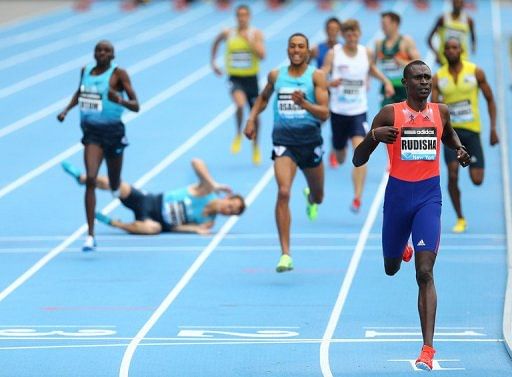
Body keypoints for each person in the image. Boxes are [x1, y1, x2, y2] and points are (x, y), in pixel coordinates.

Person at [353, 60, 470, 371]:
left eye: (428, 77)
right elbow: (357, 159)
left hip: (428, 199)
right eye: (418, 78)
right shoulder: (390, 113)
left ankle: (427, 350)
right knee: (391, 268)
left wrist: (459, 150)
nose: (424, 82)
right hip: (397, 198)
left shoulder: (440, 112)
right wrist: (374, 136)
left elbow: (449, 135)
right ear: (405, 82)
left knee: (425, 272)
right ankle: (402, 247)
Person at [244, 33, 329, 272]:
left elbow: (324, 113)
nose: (296, 50)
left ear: (308, 51)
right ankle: (285, 254)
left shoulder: (317, 77)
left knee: (319, 196)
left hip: (310, 142)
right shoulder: (276, 75)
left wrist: (305, 105)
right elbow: (262, 99)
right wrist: (251, 119)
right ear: (287, 50)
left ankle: (310, 197)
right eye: (292, 46)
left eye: (301, 46)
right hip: (284, 143)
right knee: (282, 192)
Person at [57, 40, 140, 251]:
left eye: (107, 51)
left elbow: (136, 105)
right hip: (92, 133)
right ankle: (91, 235)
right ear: (94, 53)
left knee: (114, 184)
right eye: (99, 50)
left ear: (113, 55)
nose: (102, 53)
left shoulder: (119, 75)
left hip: (113, 133)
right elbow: (80, 92)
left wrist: (119, 101)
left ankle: (113, 186)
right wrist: (67, 110)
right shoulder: (85, 70)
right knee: (92, 179)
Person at [321, 19, 394, 213]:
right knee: (341, 156)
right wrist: (329, 84)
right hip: (338, 113)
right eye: (348, 34)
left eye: (355, 33)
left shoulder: (365, 52)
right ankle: (337, 146)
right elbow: (320, 76)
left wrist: (386, 81)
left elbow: (371, 68)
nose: (352, 37)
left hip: (358, 113)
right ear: (344, 35)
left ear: (359, 34)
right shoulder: (334, 53)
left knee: (360, 152)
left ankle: (357, 197)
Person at [61, 159, 245, 235]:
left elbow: (177, 228)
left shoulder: (208, 221)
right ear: (227, 197)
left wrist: (194, 230)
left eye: (232, 213)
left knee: (152, 229)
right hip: (149, 201)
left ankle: (114, 223)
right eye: (231, 206)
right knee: (117, 184)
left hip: (157, 221)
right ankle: (83, 178)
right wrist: (213, 184)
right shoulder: (206, 191)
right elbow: (195, 161)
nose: (228, 211)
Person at [431, 38, 498, 233]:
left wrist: (493, 128)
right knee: (452, 174)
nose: (452, 51)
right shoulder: (438, 78)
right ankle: (460, 218)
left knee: (477, 179)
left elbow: (490, 99)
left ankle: (472, 166)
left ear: (461, 50)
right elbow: (434, 109)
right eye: (448, 48)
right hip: (451, 133)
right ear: (444, 52)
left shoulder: (475, 72)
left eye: (455, 47)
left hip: (472, 131)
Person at [211, 4, 265, 165]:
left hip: (251, 79)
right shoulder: (229, 33)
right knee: (240, 104)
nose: (242, 18)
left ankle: (255, 146)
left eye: (245, 15)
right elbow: (216, 42)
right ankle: (238, 133)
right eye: (239, 15)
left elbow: (262, 55)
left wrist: (250, 42)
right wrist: (213, 62)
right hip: (235, 78)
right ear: (236, 17)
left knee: (255, 115)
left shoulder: (255, 34)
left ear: (249, 17)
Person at [310, 17, 342, 168]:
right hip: (323, 89)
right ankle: (315, 148)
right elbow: (307, 66)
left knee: (337, 123)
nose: (333, 32)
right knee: (319, 121)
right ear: (326, 30)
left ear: (339, 31)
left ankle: (333, 153)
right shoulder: (318, 48)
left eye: (335, 29)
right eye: (330, 29)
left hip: (339, 91)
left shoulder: (343, 49)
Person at [375, 11, 420, 107]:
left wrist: (402, 62)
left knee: (405, 120)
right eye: (381, 24)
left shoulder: (406, 41)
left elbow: (419, 64)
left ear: (395, 24)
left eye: (384, 24)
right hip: (387, 87)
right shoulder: (379, 44)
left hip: (404, 88)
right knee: (387, 119)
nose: (382, 27)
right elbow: (372, 67)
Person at [427, 0, 476, 66]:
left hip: (463, 60)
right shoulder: (443, 19)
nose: (457, 5)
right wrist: (437, 54)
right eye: (455, 2)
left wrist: (472, 49)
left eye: (459, 2)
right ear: (452, 3)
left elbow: (473, 39)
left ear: (463, 4)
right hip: (445, 60)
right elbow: (429, 39)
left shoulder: (469, 20)